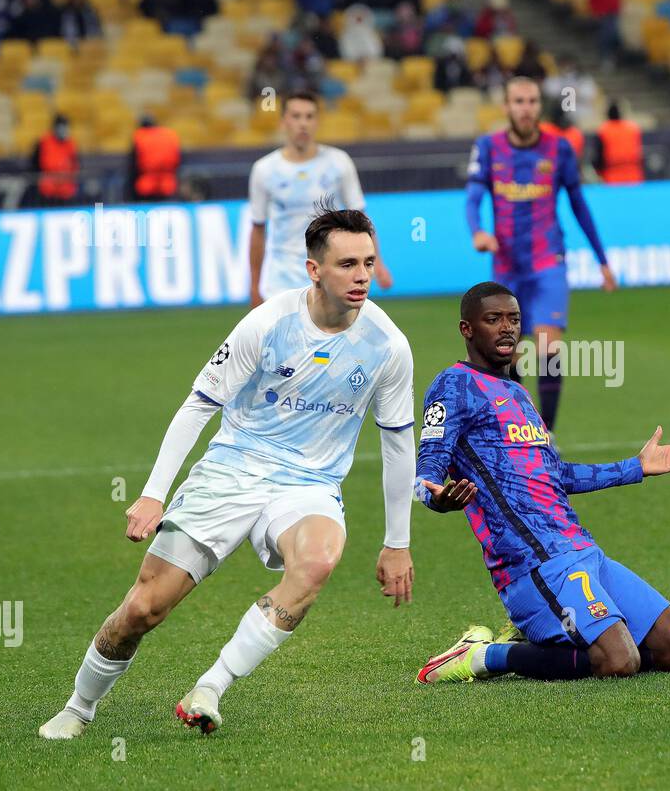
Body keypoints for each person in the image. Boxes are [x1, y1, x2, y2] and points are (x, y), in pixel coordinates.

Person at [38, 206, 417, 739]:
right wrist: (152, 495)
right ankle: (79, 706)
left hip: (308, 485)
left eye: (369, 263)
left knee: (315, 565)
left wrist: (396, 541)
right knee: (144, 609)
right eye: (347, 264)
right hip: (233, 469)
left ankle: (211, 686)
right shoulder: (267, 324)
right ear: (314, 270)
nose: (362, 276)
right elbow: (199, 404)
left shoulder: (389, 347)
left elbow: (399, 443)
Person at [412, 282, 670, 683]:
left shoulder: (517, 392)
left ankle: (550, 639)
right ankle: (485, 656)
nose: (507, 328)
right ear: (467, 329)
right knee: (618, 662)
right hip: (533, 564)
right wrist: (439, 498)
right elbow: (425, 474)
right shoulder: (453, 386)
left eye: (513, 319)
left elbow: (555, 475)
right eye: (493, 319)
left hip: (583, 551)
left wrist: (637, 466)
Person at [465, 77, 617, 433]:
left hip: (548, 261)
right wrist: (478, 232)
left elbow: (579, 205)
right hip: (506, 266)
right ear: (506, 106)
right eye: (518, 101)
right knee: (508, 350)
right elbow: (472, 198)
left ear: (539, 106)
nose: (525, 108)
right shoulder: (488, 147)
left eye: (532, 101)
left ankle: (546, 433)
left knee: (548, 346)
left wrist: (603, 261)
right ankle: (520, 430)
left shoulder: (559, 149)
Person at [248, 91, 392, 306]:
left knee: (332, 336)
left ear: (317, 122)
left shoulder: (339, 162)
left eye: (309, 116)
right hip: (281, 277)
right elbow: (258, 230)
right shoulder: (264, 170)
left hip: (330, 272)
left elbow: (361, 218)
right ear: (283, 122)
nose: (303, 123)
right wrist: (254, 284)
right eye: (296, 116)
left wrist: (377, 262)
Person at [130, 114, 181, 201]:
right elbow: (178, 160)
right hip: (169, 183)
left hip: (146, 184)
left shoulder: (140, 136)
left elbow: (133, 165)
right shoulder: (170, 134)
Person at [33, 115, 79, 206]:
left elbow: (75, 165)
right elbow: (35, 164)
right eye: (61, 127)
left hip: (66, 191)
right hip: (48, 191)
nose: (63, 131)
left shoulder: (71, 144)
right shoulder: (44, 142)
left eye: (65, 127)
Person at [592, 102, 644, 183]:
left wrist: (598, 172)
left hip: (612, 175)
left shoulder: (604, 130)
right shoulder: (633, 128)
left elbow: (598, 155)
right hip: (633, 174)